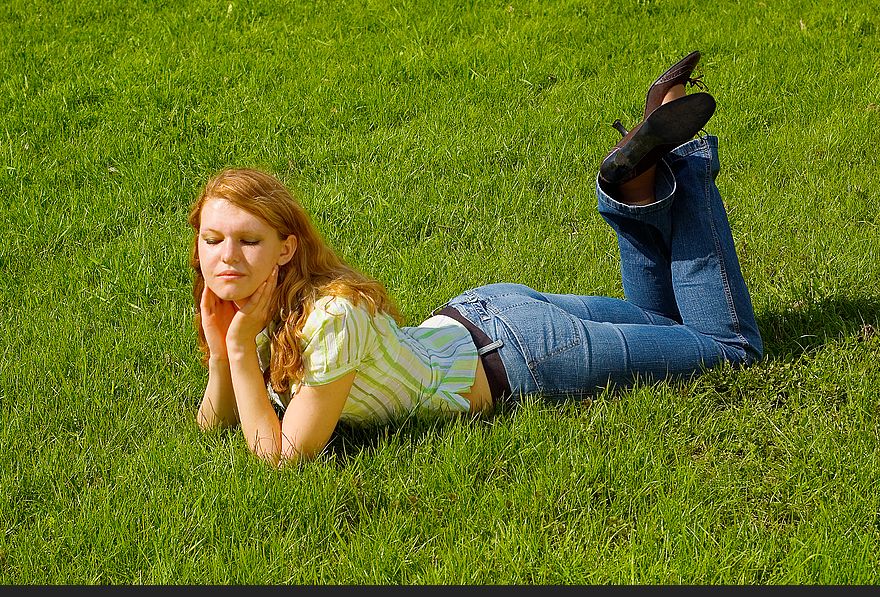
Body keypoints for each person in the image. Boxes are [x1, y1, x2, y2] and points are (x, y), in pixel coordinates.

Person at [190, 51, 763, 466]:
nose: (227, 257)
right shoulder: (280, 301)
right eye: (213, 240)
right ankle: (635, 179)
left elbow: (286, 455)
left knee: (729, 350)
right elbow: (218, 421)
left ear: (286, 248)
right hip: (487, 314)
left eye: (248, 240)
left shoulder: (329, 318)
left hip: (525, 355)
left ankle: (682, 156)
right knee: (672, 331)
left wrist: (240, 350)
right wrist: (221, 352)